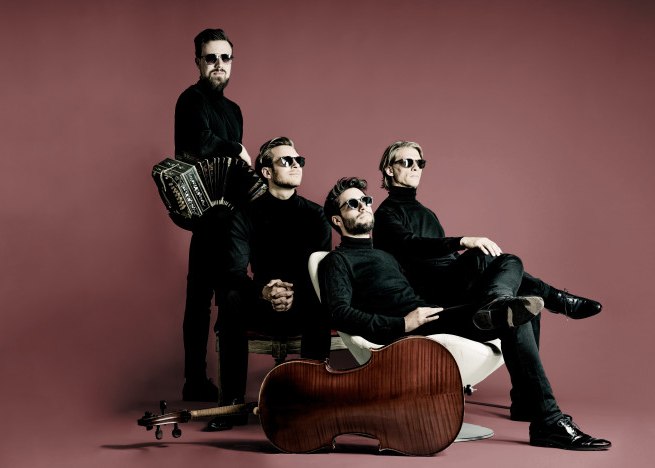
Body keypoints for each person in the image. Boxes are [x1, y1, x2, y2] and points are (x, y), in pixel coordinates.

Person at [318, 177, 610, 451]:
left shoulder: (385, 255)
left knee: (510, 274)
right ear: (337, 220)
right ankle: (549, 420)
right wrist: (402, 323)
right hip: (412, 329)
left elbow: (424, 274)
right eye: (352, 204)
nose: (364, 206)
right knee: (513, 313)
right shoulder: (337, 261)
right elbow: (339, 313)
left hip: (434, 313)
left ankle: (532, 402)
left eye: (366, 200)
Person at [373, 141, 603, 419]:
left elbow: (444, 257)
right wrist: (462, 241)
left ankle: (525, 401)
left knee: (523, 299)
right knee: (488, 256)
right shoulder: (385, 214)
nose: (415, 168)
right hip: (435, 292)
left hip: (452, 279)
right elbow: (412, 245)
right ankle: (556, 299)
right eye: (406, 162)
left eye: (419, 163)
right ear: (389, 169)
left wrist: (462, 258)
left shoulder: (425, 212)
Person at [208, 136, 332, 430]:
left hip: (303, 304)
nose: (295, 165)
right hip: (260, 301)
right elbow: (234, 270)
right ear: (266, 171)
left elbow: (322, 270)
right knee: (230, 296)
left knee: (323, 300)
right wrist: (264, 291)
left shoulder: (316, 215)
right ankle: (232, 405)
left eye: (298, 160)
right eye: (286, 160)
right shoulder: (245, 215)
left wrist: (293, 293)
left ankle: (311, 401)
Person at [173, 28, 252, 401]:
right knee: (200, 301)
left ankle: (230, 386)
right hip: (205, 215)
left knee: (230, 297)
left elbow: (235, 168)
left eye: (225, 58)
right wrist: (237, 147)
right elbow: (201, 144)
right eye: (211, 58)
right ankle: (195, 380)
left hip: (232, 216)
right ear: (198, 62)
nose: (219, 64)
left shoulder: (234, 110)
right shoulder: (190, 100)